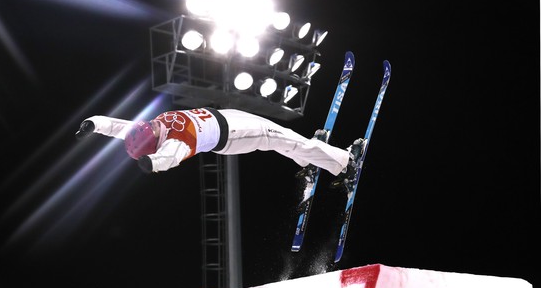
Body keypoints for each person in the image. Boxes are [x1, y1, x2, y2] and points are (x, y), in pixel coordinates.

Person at [75, 107, 365, 187]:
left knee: (283, 139)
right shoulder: (175, 143)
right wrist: (152, 164)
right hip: (233, 135)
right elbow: (168, 159)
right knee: (282, 137)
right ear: (153, 142)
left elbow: (115, 126)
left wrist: (92, 124)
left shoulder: (146, 130)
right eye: (152, 129)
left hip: (226, 115)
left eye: (149, 125)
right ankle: (345, 162)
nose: (153, 124)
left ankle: (309, 159)